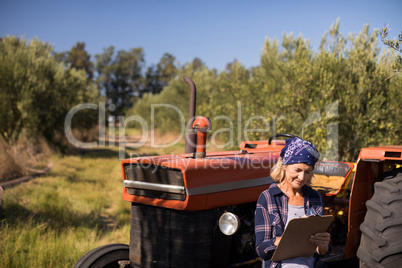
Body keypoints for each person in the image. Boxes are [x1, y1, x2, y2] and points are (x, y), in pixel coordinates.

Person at [255, 137, 331, 268]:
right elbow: (261, 250)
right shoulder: (268, 197)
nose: (302, 177)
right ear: (284, 166)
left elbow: (321, 252)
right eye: (297, 170)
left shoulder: (315, 198)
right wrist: (290, 235)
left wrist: (323, 245)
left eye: (308, 172)